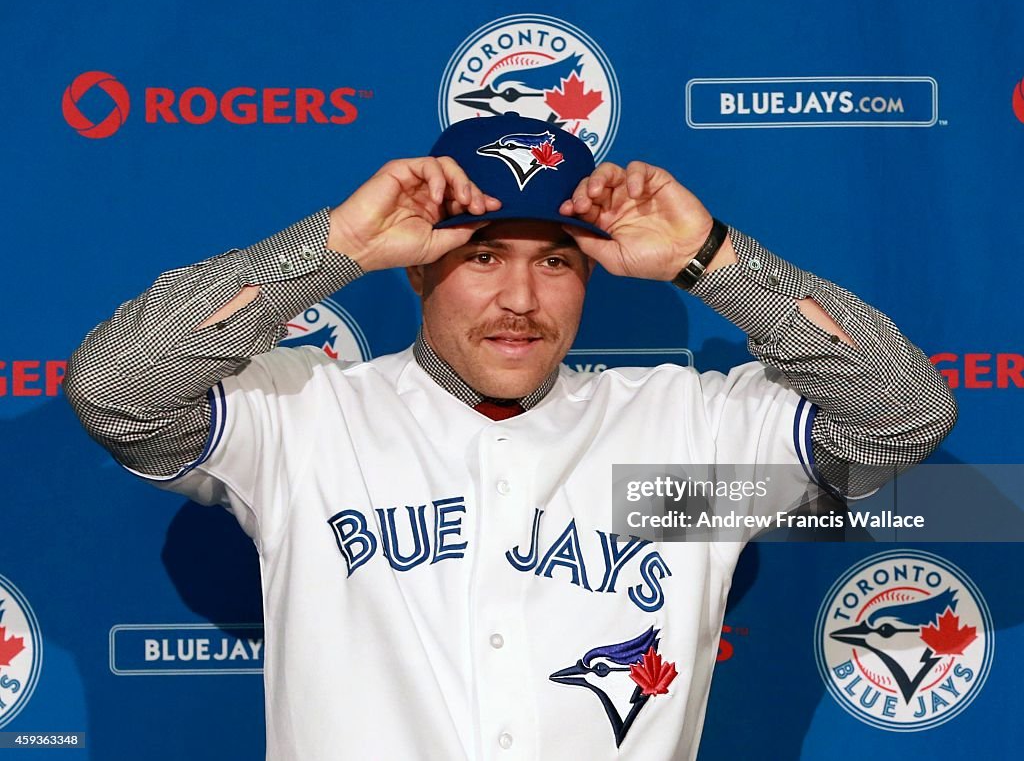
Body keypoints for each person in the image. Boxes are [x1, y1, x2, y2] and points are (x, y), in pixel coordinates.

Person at [64, 114, 956, 760]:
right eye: (483, 256)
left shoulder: (686, 436)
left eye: (556, 261)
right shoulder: (305, 419)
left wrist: (713, 259)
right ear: (416, 266)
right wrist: (331, 244)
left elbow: (900, 413)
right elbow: (116, 389)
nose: (521, 300)